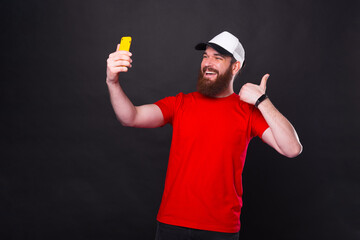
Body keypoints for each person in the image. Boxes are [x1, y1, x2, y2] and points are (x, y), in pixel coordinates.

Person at [106, 31, 302, 240]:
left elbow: (292, 148)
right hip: (172, 225)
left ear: (235, 66)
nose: (208, 63)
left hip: (221, 229)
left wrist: (262, 101)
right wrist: (113, 81)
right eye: (205, 56)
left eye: (217, 58)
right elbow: (131, 117)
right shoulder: (180, 103)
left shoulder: (248, 112)